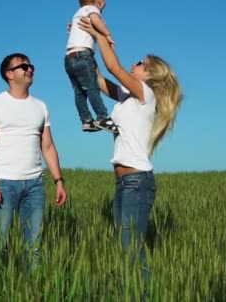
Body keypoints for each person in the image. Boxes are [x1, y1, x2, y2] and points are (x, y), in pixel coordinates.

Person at [78, 18, 183, 279]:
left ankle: (143, 294)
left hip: (137, 181)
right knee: (125, 248)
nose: (134, 64)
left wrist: (100, 33)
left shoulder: (145, 94)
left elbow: (113, 66)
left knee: (131, 248)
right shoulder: (129, 96)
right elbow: (100, 80)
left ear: (150, 74)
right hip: (124, 182)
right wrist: (83, 44)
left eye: (140, 63)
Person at [0, 53, 68, 270]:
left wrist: (59, 181)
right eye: (24, 66)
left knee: (34, 246)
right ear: (9, 74)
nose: (30, 69)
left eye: (31, 66)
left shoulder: (41, 106)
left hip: (35, 185)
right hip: (4, 183)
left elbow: (47, 146)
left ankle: (34, 288)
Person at [64, 0, 119, 134]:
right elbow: (95, 20)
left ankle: (86, 120)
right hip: (83, 55)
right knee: (92, 88)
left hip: (69, 58)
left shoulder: (78, 13)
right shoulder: (91, 10)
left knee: (79, 92)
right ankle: (102, 116)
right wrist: (107, 34)